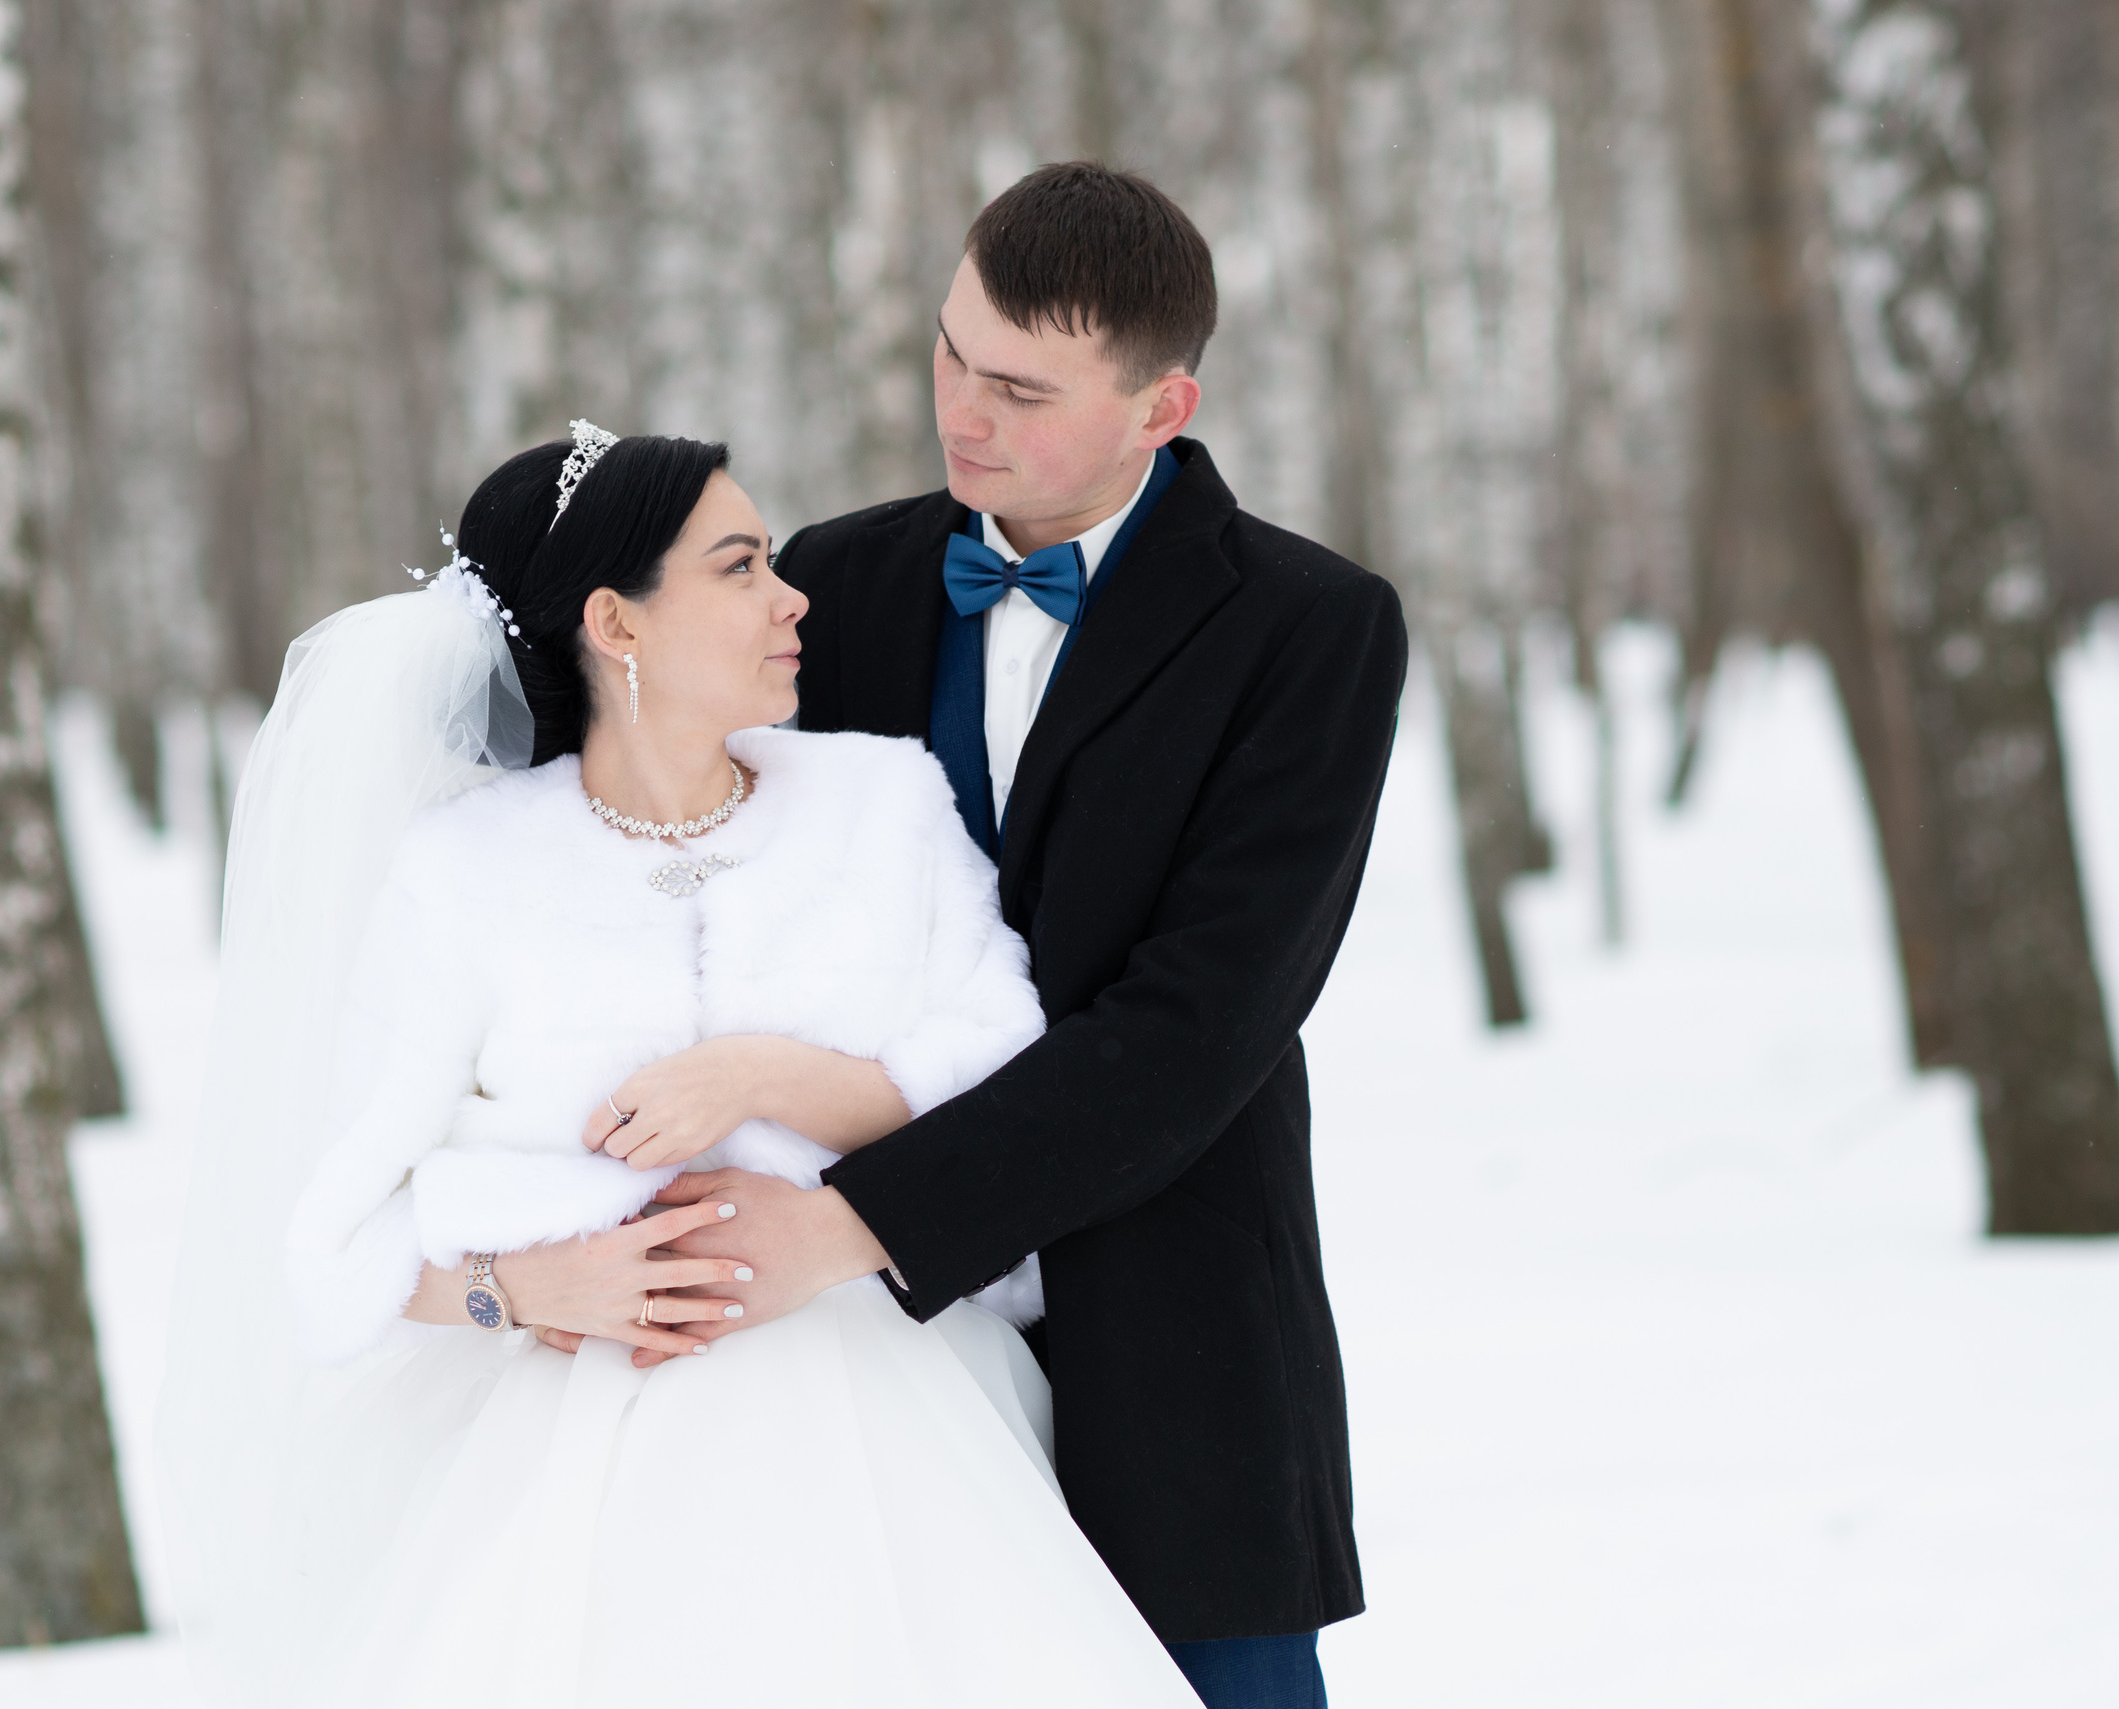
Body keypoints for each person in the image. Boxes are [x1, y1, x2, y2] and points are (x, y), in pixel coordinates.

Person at [158, 424, 1205, 1706]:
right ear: (617, 621)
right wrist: (531, 1285)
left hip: (884, 1429)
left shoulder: (882, 804)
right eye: (740, 566)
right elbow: (333, 1241)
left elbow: (999, 1079)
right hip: (574, 1469)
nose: (791, 595)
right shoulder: (467, 875)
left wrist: (760, 1074)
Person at [632, 163, 1409, 1709]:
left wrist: (859, 1222)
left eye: (1019, 388)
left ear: (1161, 407)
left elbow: (1195, 1029)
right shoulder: (829, 586)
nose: (960, 413)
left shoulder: (1311, 632)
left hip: (1172, 1340)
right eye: (948, 351)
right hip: (860, 1374)